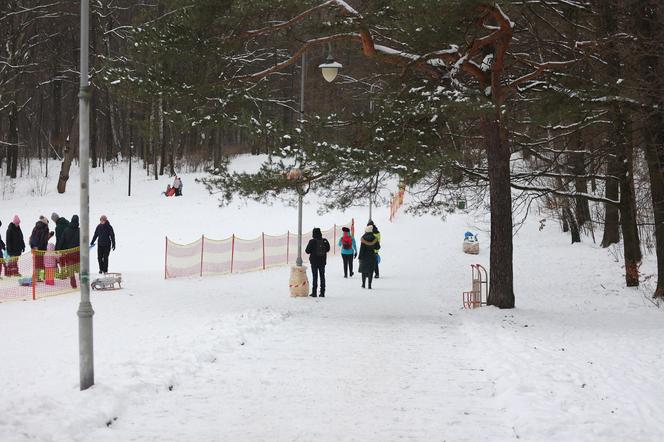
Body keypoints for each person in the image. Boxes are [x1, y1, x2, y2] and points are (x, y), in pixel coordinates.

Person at [305, 227, 330, 298]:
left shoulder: (312, 241)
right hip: (322, 262)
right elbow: (328, 249)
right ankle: (322, 292)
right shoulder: (325, 240)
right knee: (322, 276)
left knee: (315, 276)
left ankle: (314, 292)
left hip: (314, 262)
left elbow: (307, 251)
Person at [60, 215, 80, 288]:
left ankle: (73, 284)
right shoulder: (80, 230)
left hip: (69, 253)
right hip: (78, 253)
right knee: (80, 267)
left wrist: (59, 250)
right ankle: (83, 281)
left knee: (71, 269)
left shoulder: (66, 230)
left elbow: (62, 241)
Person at [358, 225, 380, 289]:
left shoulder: (363, 238)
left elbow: (361, 249)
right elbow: (378, 247)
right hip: (372, 256)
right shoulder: (375, 238)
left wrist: (360, 257)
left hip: (364, 257)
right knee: (370, 271)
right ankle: (369, 285)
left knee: (364, 270)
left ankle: (363, 284)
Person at [29, 216, 50, 280]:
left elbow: (32, 237)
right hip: (41, 249)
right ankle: (39, 277)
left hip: (35, 248)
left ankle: (37, 276)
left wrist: (33, 246)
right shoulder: (45, 228)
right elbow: (43, 239)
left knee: (37, 262)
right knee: (40, 263)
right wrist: (40, 247)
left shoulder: (35, 227)